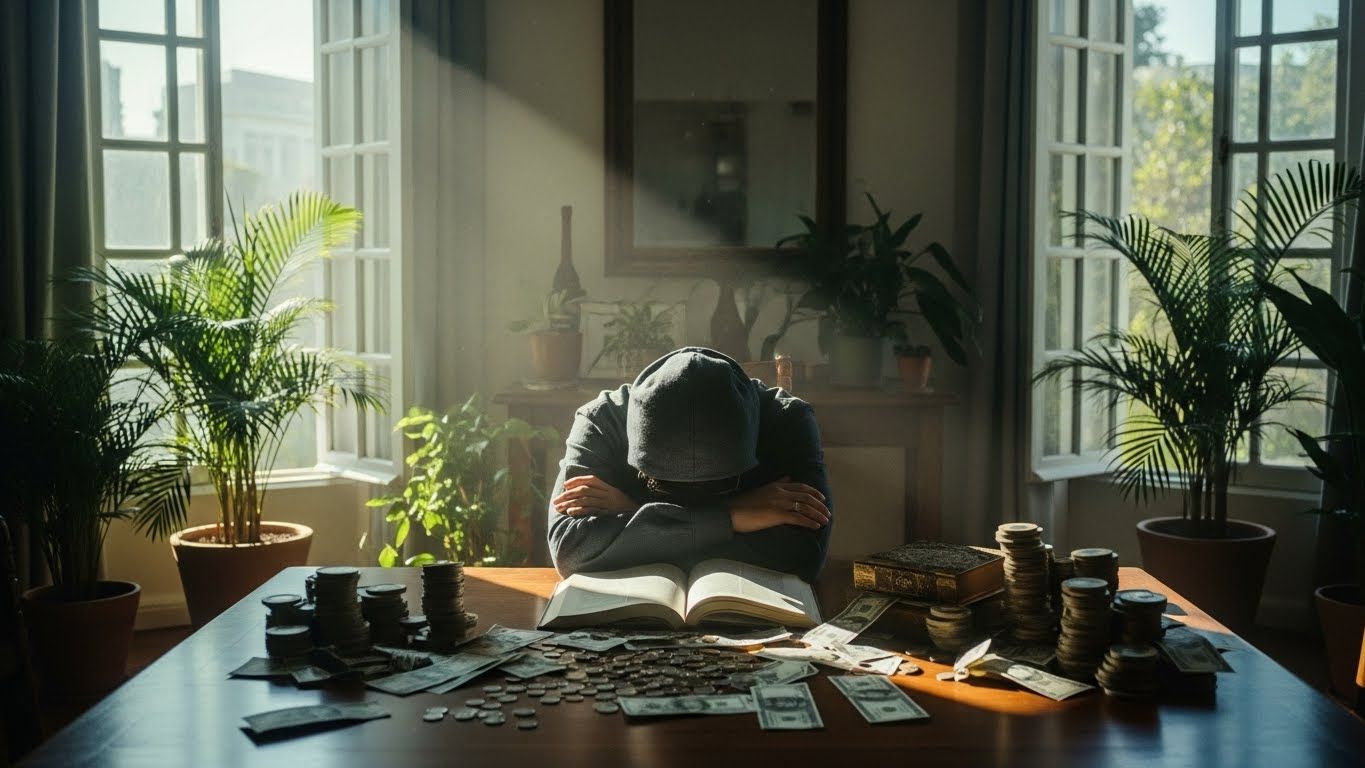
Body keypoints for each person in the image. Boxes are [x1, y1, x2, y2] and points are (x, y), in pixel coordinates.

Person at [547, 347, 832, 583]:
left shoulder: (789, 421)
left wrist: (636, 514)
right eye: (663, 484)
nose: (691, 496)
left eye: (719, 484)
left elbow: (805, 556)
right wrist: (729, 516)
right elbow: (570, 550)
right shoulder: (600, 421)